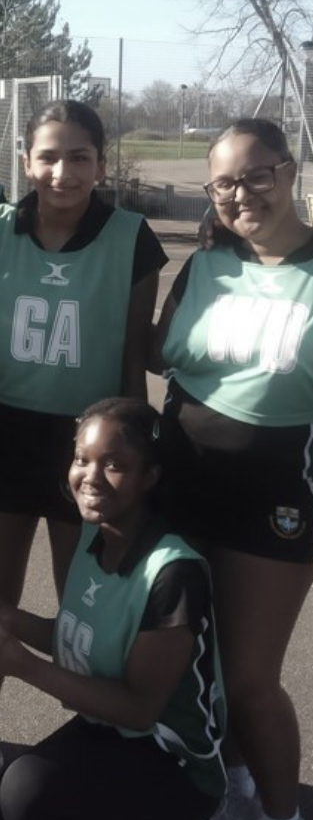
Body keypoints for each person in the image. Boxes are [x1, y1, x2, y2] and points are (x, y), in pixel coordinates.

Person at [150, 117, 313, 820]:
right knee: (197, 664)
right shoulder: (205, 264)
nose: (240, 194)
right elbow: (158, 353)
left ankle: (281, 817)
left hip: (279, 493)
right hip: (183, 482)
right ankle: (233, 787)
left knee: (250, 678)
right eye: (223, 184)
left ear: (290, 171)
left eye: (256, 175)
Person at [0, 397, 226, 820]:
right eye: (81, 459)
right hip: (107, 728)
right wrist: (10, 619)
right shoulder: (92, 536)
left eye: (114, 465)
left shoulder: (173, 572)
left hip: (173, 760)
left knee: (25, 794)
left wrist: (21, 664)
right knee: (18, 793)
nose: (91, 476)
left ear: (150, 476)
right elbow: (84, 637)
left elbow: (139, 708)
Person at [0, 99, 168, 609]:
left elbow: (133, 355)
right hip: (6, 432)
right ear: (26, 161)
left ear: (100, 164)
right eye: (48, 157)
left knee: (82, 611)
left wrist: (136, 452)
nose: (62, 172)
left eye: (79, 157)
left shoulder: (131, 236)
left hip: (89, 443)